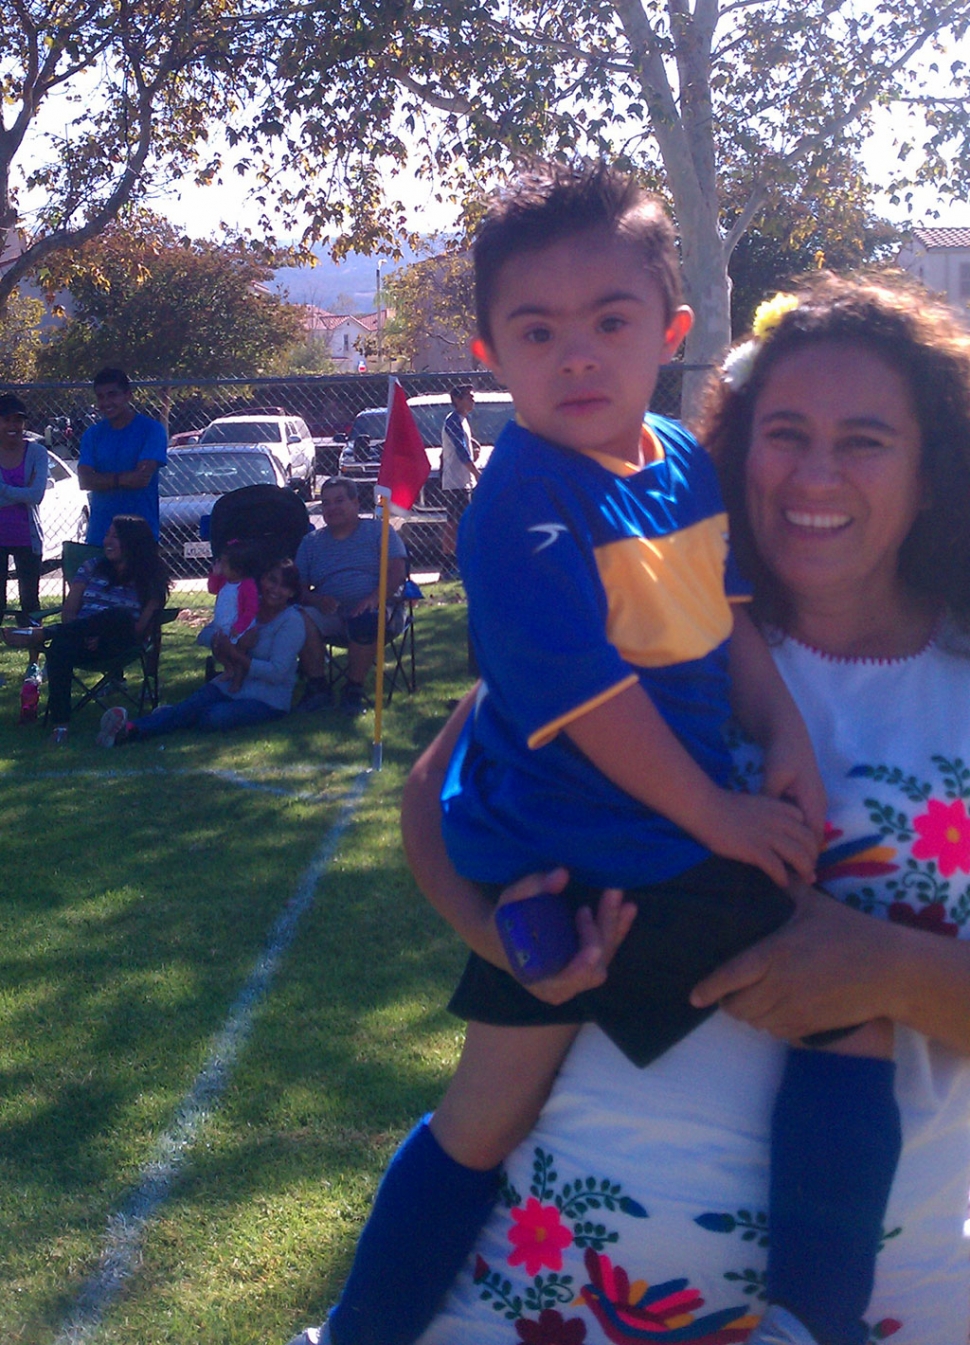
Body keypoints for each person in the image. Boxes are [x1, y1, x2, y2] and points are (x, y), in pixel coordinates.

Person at [291, 166, 898, 1345]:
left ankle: (356, 1333)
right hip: (606, 846)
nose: (576, 355)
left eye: (609, 322)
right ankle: (813, 1327)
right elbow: (593, 703)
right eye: (538, 330)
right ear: (491, 352)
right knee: (853, 1018)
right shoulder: (517, 507)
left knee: (481, 1116)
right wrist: (723, 819)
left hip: (614, 846)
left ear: (668, 335)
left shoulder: (679, 459)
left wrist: (780, 738)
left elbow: (724, 622)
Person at [98, 557, 306, 743]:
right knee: (193, 707)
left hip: (266, 699)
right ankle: (128, 730)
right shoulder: (248, 606)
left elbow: (277, 673)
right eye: (271, 580)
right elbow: (205, 633)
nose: (275, 589)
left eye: (284, 586)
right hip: (227, 685)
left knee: (213, 717)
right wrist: (221, 640)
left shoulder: (292, 621)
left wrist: (235, 655)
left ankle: (173, 716)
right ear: (262, 580)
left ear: (292, 593)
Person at [8, 514, 169, 744]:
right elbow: (70, 611)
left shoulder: (150, 578)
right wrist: (86, 633)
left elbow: (140, 629)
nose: (107, 542)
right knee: (59, 648)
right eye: (107, 535)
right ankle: (60, 727)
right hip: (81, 638)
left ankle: (43, 632)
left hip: (120, 643)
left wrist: (103, 635)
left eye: (115, 537)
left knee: (118, 615)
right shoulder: (91, 567)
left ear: (133, 542)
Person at [294, 476, 406, 715]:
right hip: (331, 613)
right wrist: (316, 600)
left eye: (339, 501)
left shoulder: (378, 530)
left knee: (367, 618)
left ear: (355, 503)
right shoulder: (310, 543)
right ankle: (318, 688)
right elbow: (298, 590)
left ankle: (353, 691)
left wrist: (374, 598)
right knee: (297, 618)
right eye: (326, 503)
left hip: (379, 610)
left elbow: (397, 571)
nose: (332, 508)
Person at [77, 367, 167, 545]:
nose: (106, 402)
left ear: (128, 395)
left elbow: (141, 479)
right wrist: (123, 478)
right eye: (101, 397)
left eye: (112, 395)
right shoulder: (92, 434)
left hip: (139, 536)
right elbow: (85, 481)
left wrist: (102, 480)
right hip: (99, 537)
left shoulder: (152, 430)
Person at [0, 392, 48, 625]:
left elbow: (36, 495)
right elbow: (27, 494)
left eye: (18, 420)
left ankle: (34, 658)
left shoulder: (37, 452)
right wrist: (22, 493)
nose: (13, 425)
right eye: (7, 419)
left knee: (30, 603)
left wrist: (3, 489)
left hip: (27, 539)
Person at [198, 538, 261, 692]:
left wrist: (239, 627)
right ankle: (229, 669)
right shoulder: (225, 581)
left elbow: (251, 610)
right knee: (218, 647)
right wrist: (215, 574)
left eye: (224, 564)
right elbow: (212, 589)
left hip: (240, 627)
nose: (221, 566)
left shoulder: (246, 585)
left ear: (238, 568)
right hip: (223, 625)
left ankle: (237, 680)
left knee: (237, 652)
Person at [440, 385, 480, 577]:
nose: (472, 400)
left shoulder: (463, 420)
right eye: (468, 397)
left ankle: (452, 564)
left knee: (457, 522)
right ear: (457, 400)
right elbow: (461, 451)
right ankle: (450, 566)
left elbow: (467, 447)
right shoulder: (454, 421)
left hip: (463, 481)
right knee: (456, 523)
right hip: (456, 482)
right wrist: (477, 473)